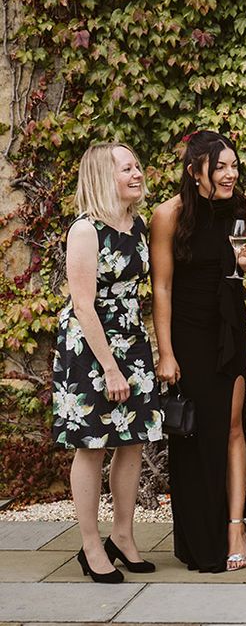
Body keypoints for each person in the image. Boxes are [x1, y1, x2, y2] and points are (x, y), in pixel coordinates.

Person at [150, 130, 246, 573]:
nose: (230, 173)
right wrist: (165, 352)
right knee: (192, 432)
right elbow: (161, 287)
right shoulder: (169, 215)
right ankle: (197, 536)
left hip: (228, 326)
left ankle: (236, 526)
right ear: (194, 171)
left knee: (232, 426)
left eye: (234, 165)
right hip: (186, 329)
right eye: (219, 167)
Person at [52, 143, 163, 583]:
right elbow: (82, 304)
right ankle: (91, 545)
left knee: (133, 441)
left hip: (131, 338)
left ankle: (123, 536)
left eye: (137, 165)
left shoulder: (136, 225)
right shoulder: (85, 230)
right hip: (91, 346)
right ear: (103, 176)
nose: (137, 173)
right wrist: (111, 367)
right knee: (92, 444)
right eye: (127, 168)